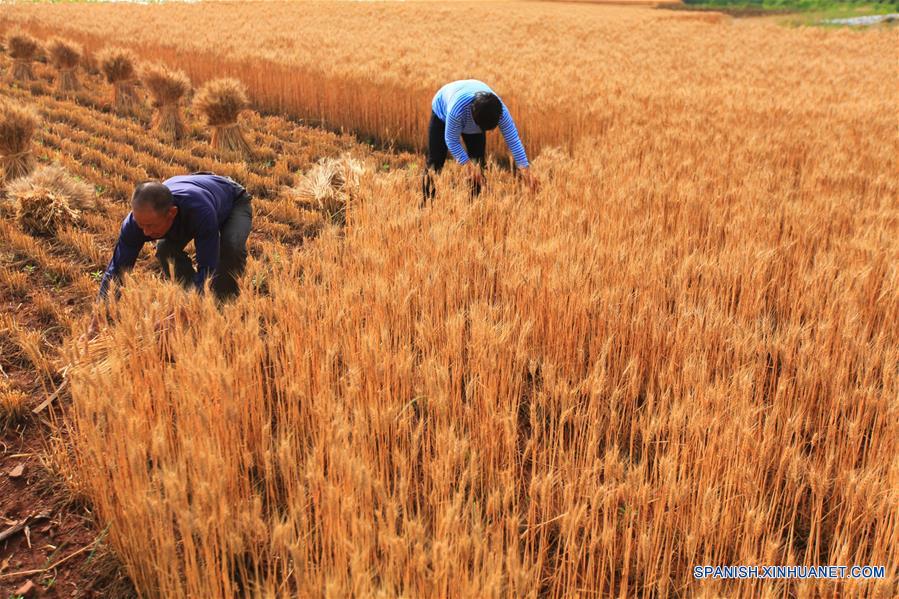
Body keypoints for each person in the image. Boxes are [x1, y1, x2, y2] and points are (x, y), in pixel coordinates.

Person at [96, 172, 252, 306]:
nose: (145, 232)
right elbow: (117, 270)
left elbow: (208, 266)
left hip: (232, 200)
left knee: (230, 246)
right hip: (197, 196)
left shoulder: (199, 211)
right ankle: (193, 299)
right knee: (165, 250)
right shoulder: (134, 224)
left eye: (151, 225)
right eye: (141, 225)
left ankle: (223, 305)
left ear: (171, 213)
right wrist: (100, 314)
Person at [421, 79, 538, 202]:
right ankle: (426, 203)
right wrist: (467, 165)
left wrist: (526, 172)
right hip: (442, 113)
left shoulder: (500, 111)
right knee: (436, 161)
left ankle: (475, 206)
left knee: (478, 163)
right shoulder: (456, 109)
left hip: (473, 115)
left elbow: (513, 140)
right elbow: (451, 139)